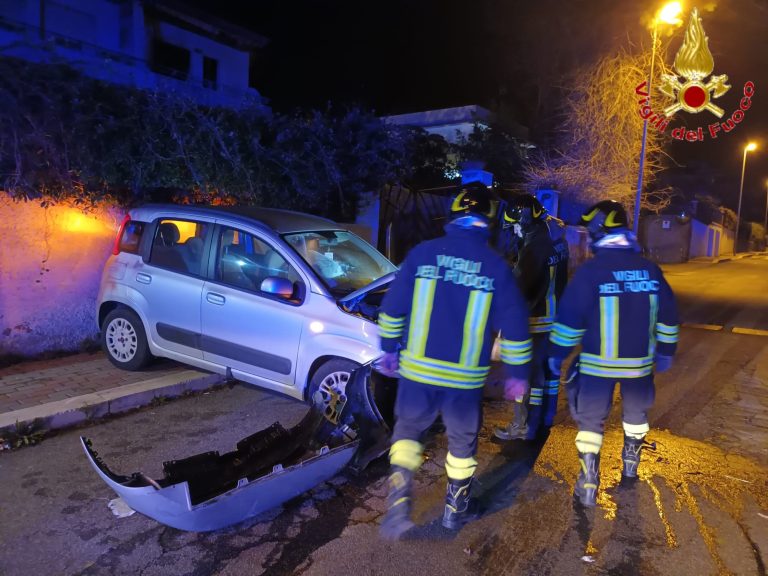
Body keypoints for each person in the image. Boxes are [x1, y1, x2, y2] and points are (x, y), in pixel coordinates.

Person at [376, 181, 533, 540]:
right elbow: (516, 327)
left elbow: (393, 308)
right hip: (464, 381)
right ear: (489, 221)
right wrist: (517, 375)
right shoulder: (496, 266)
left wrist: (388, 349)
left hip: (418, 373)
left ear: (455, 214)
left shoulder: (422, 253)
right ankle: (453, 511)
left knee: (408, 434)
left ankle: (398, 507)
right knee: (461, 445)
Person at [547, 200, 679, 507]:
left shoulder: (591, 271)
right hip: (639, 368)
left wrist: (556, 354)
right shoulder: (649, 269)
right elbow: (669, 315)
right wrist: (666, 352)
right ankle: (630, 464)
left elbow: (569, 320)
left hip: (597, 367)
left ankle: (589, 480)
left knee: (591, 422)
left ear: (599, 231)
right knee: (635, 418)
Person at [494, 194, 569, 441]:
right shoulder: (557, 241)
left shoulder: (534, 250)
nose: (514, 231)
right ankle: (543, 420)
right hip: (555, 320)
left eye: (515, 225)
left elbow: (519, 291)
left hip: (536, 322)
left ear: (525, 221)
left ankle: (522, 425)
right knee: (547, 377)